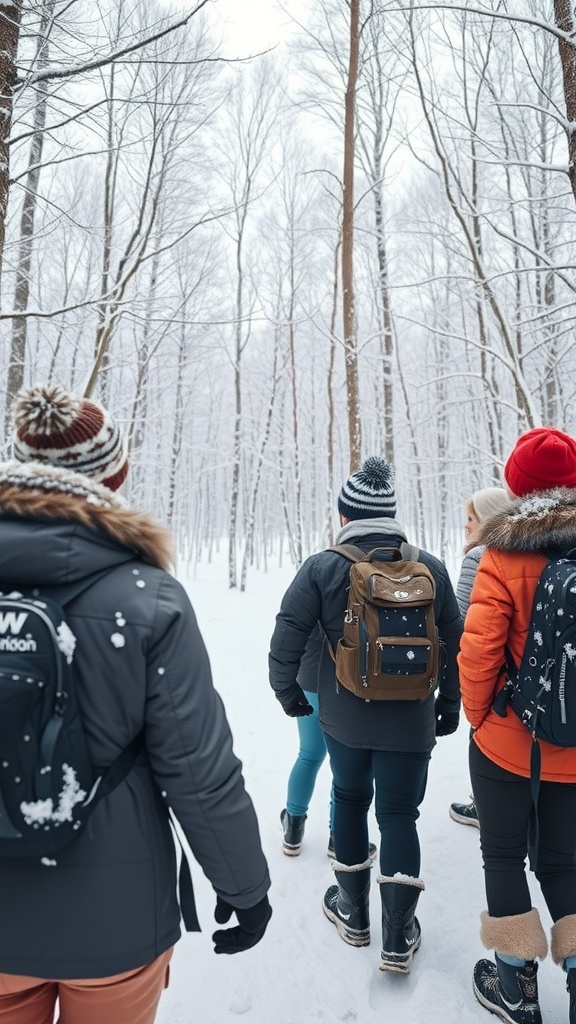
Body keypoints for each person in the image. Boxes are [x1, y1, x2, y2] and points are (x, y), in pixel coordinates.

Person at [0, 384, 271, 1024]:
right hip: (113, 921)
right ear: (115, 477)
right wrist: (243, 887)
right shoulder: (149, 597)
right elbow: (198, 771)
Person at [269, 455, 462, 973]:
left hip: (344, 718)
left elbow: (286, 638)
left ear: (345, 514)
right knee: (400, 816)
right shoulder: (432, 566)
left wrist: (288, 695)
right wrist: (449, 705)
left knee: (350, 801)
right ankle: (398, 937)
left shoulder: (323, 566)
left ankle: (353, 914)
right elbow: (456, 644)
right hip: (412, 721)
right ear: (393, 514)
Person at [459, 427, 576, 1024]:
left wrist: (479, 718)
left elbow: (479, 649)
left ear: (515, 485)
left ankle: (515, 989)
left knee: (503, 856)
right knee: (565, 863)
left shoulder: (502, 554)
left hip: (508, 744)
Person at [449, 487, 511, 829]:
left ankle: (483, 807)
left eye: (471, 518)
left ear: (486, 520)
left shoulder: (478, 558)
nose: (466, 526)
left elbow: (462, 621)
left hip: (488, 670)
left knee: (483, 738)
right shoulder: (521, 553)